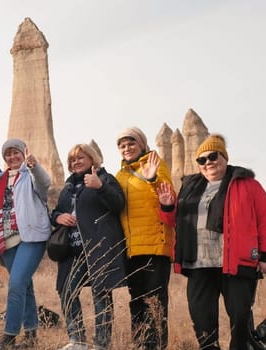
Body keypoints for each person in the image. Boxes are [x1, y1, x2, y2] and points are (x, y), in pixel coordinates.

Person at [156, 134, 266, 350]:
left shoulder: (247, 184)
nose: (208, 162)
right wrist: (167, 206)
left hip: (236, 263)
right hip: (199, 264)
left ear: (224, 156)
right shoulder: (190, 186)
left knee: (240, 318)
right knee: (201, 319)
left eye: (213, 156)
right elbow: (177, 222)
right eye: (202, 160)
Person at [51, 144, 127, 350]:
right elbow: (56, 211)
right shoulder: (68, 187)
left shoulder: (106, 178)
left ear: (92, 159)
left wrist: (100, 186)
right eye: (72, 160)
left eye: (80, 158)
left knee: (100, 293)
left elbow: (119, 204)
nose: (76, 162)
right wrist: (58, 216)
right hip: (73, 251)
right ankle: (77, 341)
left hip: (97, 248)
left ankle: (102, 343)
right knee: (67, 290)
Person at [115, 127, 174, 350]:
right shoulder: (121, 175)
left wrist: (152, 180)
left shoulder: (154, 163)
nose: (127, 148)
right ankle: (140, 345)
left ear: (142, 144)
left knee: (155, 303)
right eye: (122, 145)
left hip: (154, 246)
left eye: (131, 143)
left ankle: (155, 346)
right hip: (132, 248)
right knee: (137, 302)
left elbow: (168, 198)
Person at [0, 139, 51, 350]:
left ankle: (9, 337)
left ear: (24, 154)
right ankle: (32, 335)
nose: (12, 157)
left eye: (16, 153)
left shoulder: (30, 175)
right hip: (6, 240)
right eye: (8, 153)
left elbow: (44, 184)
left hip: (30, 238)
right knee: (25, 285)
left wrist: (35, 166)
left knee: (15, 284)